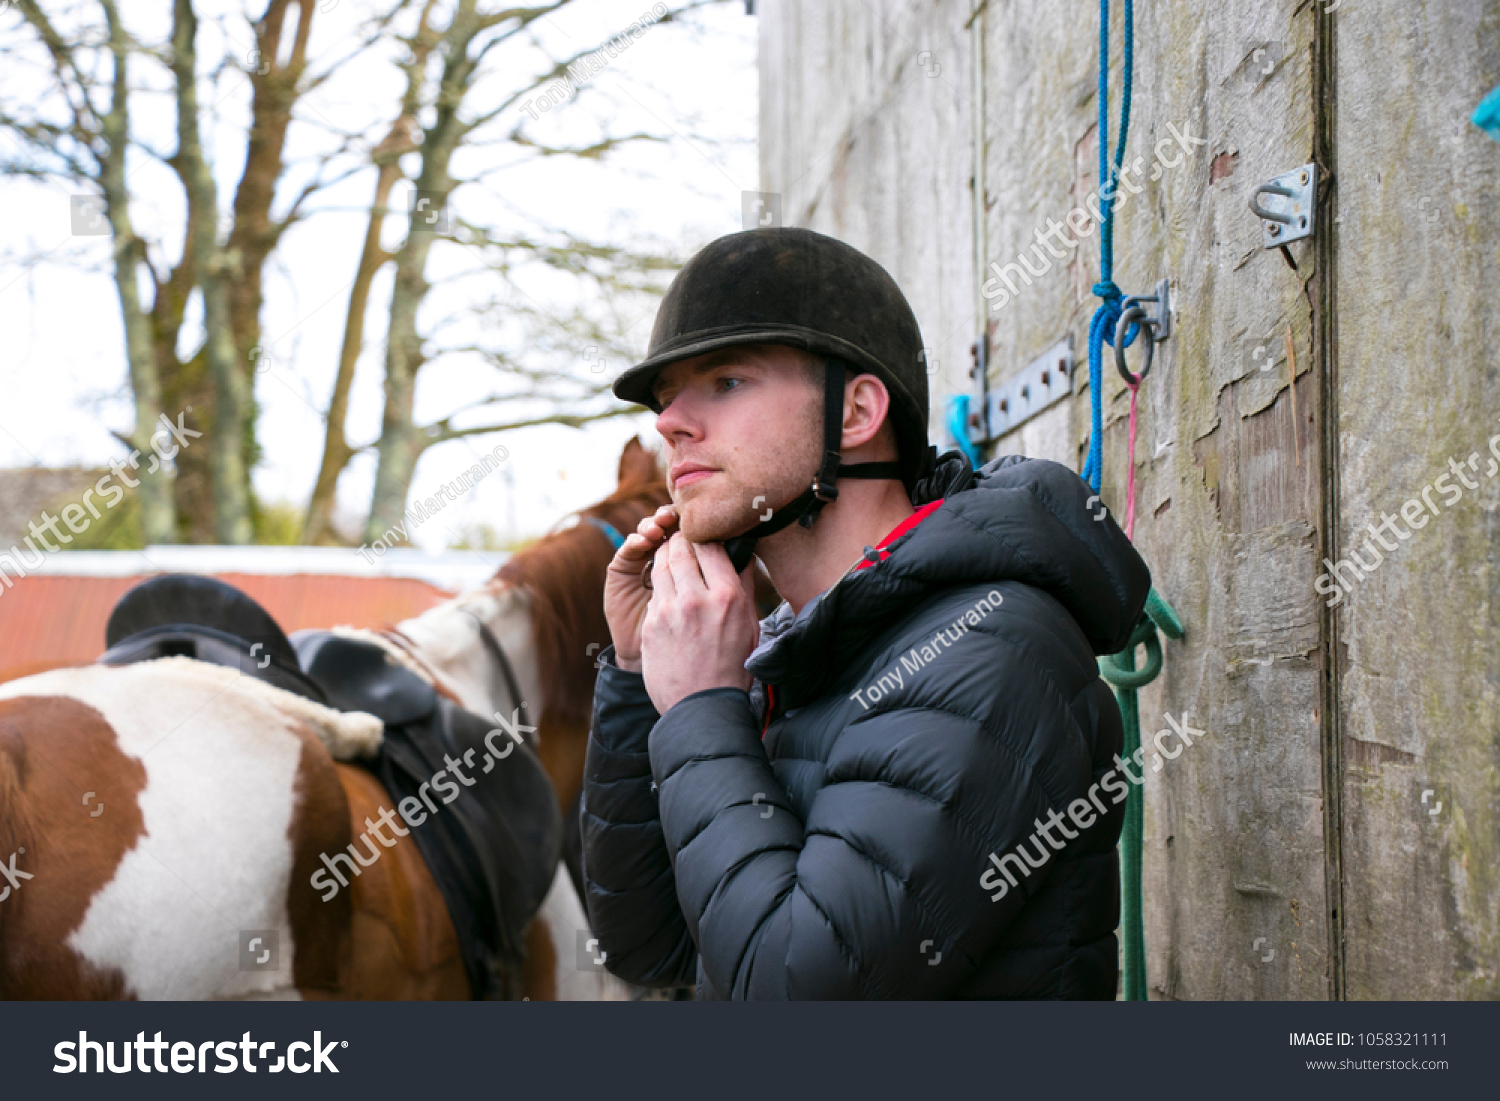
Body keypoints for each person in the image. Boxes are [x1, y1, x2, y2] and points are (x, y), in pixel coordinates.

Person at [580, 226, 1150, 999]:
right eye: (665, 398)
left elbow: (797, 993)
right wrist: (639, 672)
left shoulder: (989, 649)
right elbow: (649, 948)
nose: (670, 422)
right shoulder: (783, 653)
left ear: (855, 412)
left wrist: (700, 707)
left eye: (725, 381)